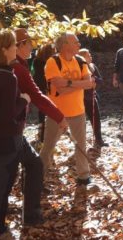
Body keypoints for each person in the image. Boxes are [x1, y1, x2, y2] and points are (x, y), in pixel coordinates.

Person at [0, 30, 43, 239]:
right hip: (7, 138)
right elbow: (7, 115)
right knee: (2, 183)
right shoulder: (7, 77)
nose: (16, 48)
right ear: (4, 50)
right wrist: (23, 99)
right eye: (13, 45)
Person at [39, 32, 95, 186]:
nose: (79, 44)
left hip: (78, 111)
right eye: (75, 42)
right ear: (65, 45)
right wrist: (79, 84)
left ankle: (84, 176)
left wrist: (68, 83)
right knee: (48, 147)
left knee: (81, 146)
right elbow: (58, 87)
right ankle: (37, 176)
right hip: (57, 114)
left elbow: (89, 83)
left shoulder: (81, 60)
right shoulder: (53, 62)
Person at [10, 29, 68, 146]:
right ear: (21, 45)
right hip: (11, 127)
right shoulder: (18, 68)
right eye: (30, 44)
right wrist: (60, 117)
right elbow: (36, 95)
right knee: (29, 163)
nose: (32, 47)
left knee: (30, 162)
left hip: (6, 126)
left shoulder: (15, 64)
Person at [78, 48, 107, 147]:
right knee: (81, 122)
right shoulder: (78, 67)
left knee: (96, 119)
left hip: (91, 97)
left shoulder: (93, 66)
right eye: (88, 55)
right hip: (80, 98)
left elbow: (100, 80)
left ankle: (99, 140)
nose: (90, 56)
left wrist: (94, 79)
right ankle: (80, 143)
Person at [32, 43, 56, 143]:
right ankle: (47, 136)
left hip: (39, 87)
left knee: (42, 113)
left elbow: (34, 74)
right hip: (48, 88)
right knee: (50, 111)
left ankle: (42, 136)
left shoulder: (36, 61)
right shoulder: (51, 62)